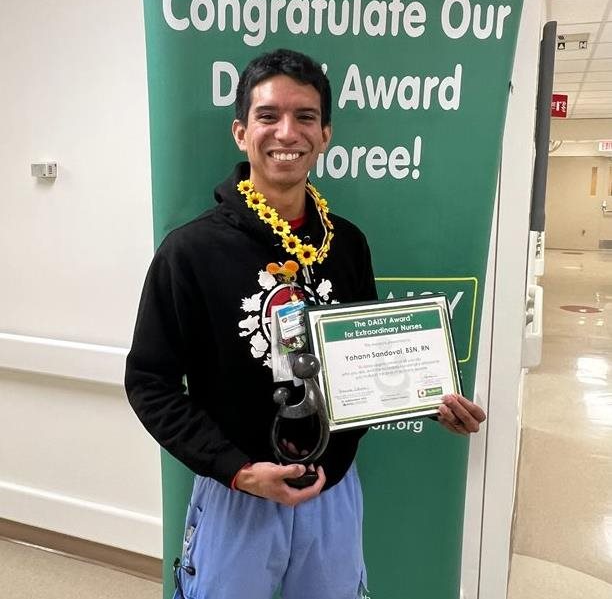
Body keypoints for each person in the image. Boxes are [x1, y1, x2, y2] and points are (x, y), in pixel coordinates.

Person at [125, 48, 485, 599]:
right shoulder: (190, 251)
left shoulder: (348, 244)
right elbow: (149, 384)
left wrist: (426, 396)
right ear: (241, 132)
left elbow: (367, 362)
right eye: (268, 116)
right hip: (237, 495)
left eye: (306, 117)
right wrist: (239, 471)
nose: (286, 132)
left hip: (332, 492)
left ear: (325, 135)